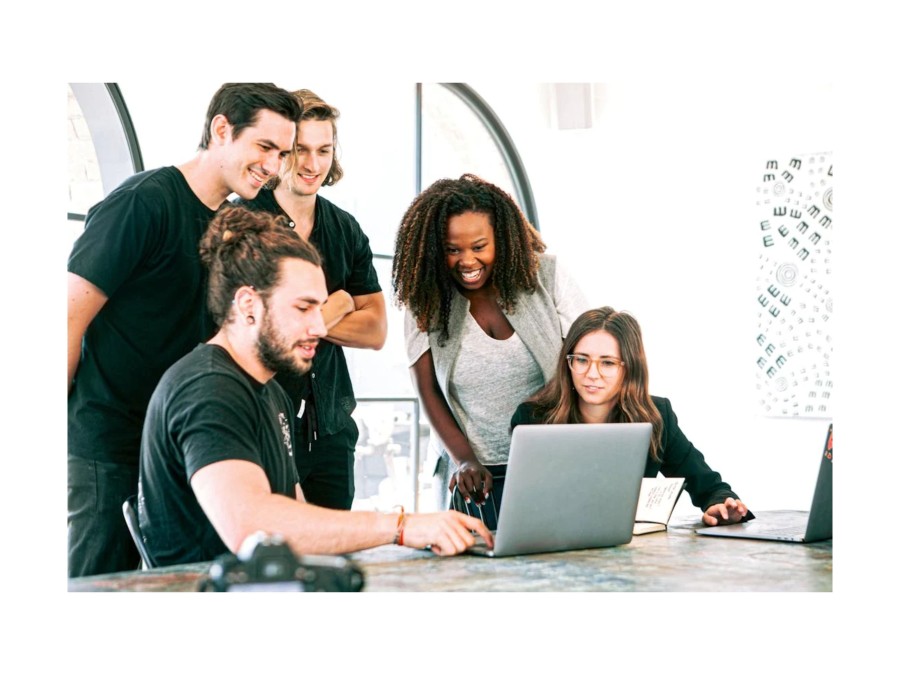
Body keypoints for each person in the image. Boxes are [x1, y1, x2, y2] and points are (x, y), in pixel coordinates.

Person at [137, 206, 491, 565]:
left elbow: (299, 519)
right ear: (248, 305)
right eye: (303, 309)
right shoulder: (208, 388)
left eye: (320, 309)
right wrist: (400, 527)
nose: (321, 328)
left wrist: (410, 538)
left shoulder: (271, 392)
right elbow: (253, 528)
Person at [67, 83, 303, 577]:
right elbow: (67, 319)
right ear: (221, 129)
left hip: (185, 445)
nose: (275, 166)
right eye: (264, 147)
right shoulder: (141, 204)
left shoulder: (241, 222)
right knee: (99, 587)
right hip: (112, 443)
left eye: (283, 153)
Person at [392, 174, 589, 510]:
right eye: (453, 250)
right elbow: (428, 391)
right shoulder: (424, 298)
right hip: (471, 474)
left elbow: (588, 363)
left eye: (479, 247)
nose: (467, 261)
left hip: (550, 461)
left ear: (502, 238)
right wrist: (465, 460)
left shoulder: (547, 276)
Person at [237, 88, 386, 511]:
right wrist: (338, 304)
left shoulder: (346, 229)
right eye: (300, 149)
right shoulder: (244, 222)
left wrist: (302, 317)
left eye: (324, 150)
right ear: (281, 151)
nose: (312, 164)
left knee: (332, 563)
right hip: (262, 424)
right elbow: (253, 327)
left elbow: (376, 330)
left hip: (331, 430)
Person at [511, 307, 751, 526]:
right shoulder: (533, 418)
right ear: (568, 363)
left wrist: (721, 504)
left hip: (629, 553)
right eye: (582, 360)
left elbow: (709, 486)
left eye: (607, 363)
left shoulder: (656, 416)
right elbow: (522, 504)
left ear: (629, 368)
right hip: (550, 547)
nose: (592, 374)